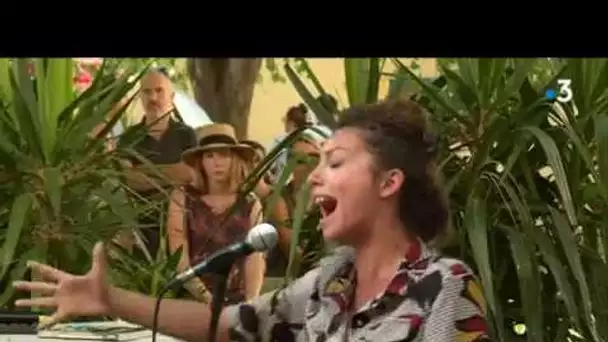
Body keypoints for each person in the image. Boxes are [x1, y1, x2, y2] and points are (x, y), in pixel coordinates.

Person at [13, 100, 490, 342]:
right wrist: (109, 298)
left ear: (389, 182)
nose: (314, 178)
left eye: (336, 162)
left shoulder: (444, 287)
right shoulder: (325, 283)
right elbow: (224, 323)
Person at [167, 123, 266, 304]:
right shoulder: (183, 197)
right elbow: (178, 257)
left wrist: (251, 303)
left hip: (239, 301)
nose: (217, 163)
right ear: (201, 162)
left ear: (234, 159)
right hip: (193, 297)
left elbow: (255, 259)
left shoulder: (250, 204)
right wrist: (206, 298)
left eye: (223, 155)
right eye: (209, 155)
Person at [119, 67, 198, 257]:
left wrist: (145, 171)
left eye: (159, 90)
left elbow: (189, 174)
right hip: (140, 227)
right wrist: (173, 174)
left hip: (182, 224)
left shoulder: (186, 135)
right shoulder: (128, 138)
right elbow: (130, 181)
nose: (153, 97)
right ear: (140, 97)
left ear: (171, 96)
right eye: (147, 92)